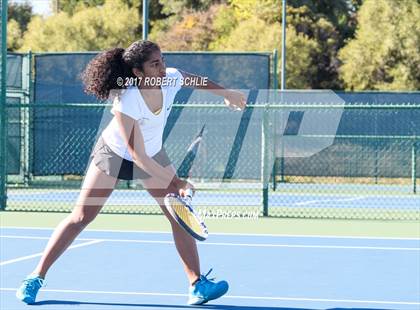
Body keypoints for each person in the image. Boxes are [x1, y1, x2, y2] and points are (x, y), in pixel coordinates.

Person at [16, 40, 246, 306]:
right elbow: (137, 157)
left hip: (152, 152)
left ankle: (197, 285)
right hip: (115, 154)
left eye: (163, 60)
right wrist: (177, 181)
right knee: (81, 217)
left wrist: (227, 93)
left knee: (177, 213)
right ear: (138, 72)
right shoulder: (128, 99)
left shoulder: (170, 79)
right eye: (155, 64)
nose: (163, 68)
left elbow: (196, 79)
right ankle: (36, 277)